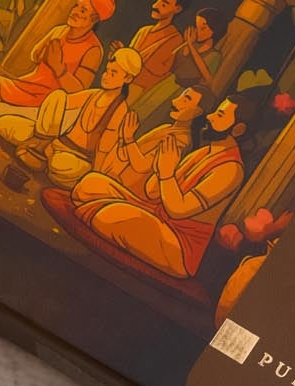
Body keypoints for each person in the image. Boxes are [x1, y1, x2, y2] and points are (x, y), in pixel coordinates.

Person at [71, 95, 248, 278]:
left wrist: (166, 173)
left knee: (109, 215)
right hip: (158, 215)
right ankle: (104, 207)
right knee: (90, 183)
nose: (210, 117)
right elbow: (152, 192)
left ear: (238, 129)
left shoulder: (231, 169)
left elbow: (178, 210)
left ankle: (102, 210)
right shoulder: (203, 152)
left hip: (179, 245)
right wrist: (161, 168)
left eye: (219, 115)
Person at [0, 0, 118, 121]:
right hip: (26, 86)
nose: (75, 11)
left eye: (83, 10)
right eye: (76, 6)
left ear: (94, 19)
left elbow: (78, 90)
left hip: (47, 103)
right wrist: (44, 52)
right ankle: (9, 115)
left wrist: (58, 68)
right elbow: (35, 56)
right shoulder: (59, 31)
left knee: (32, 116)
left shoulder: (94, 49)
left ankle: (12, 116)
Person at [0, 46, 142, 186]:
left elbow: (103, 150)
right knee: (4, 123)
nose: (106, 76)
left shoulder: (120, 111)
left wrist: (92, 178)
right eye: (106, 71)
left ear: (127, 79)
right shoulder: (94, 94)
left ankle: (41, 153)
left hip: (75, 156)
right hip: (52, 141)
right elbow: (62, 103)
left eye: (113, 73)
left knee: (60, 165)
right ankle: (40, 147)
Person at [99, 84, 207, 189]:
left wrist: (129, 139)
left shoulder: (182, 140)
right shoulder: (166, 127)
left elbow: (142, 166)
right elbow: (132, 151)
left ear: (198, 112)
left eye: (186, 99)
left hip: (131, 189)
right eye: (181, 96)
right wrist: (124, 138)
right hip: (117, 178)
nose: (175, 101)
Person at [133, 7, 223, 122]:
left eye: (203, 28)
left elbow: (207, 79)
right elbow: (174, 60)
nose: (198, 30)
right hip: (166, 83)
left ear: (214, 30)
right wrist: (187, 44)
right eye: (197, 26)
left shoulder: (214, 55)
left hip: (182, 93)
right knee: (142, 109)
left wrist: (190, 46)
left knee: (157, 117)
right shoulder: (190, 44)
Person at [117, 0, 186, 99]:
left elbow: (160, 70)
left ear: (177, 9)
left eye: (164, 4)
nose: (155, 6)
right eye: (157, 1)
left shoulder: (175, 39)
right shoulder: (144, 31)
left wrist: (131, 59)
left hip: (140, 91)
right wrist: (120, 54)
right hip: (121, 83)